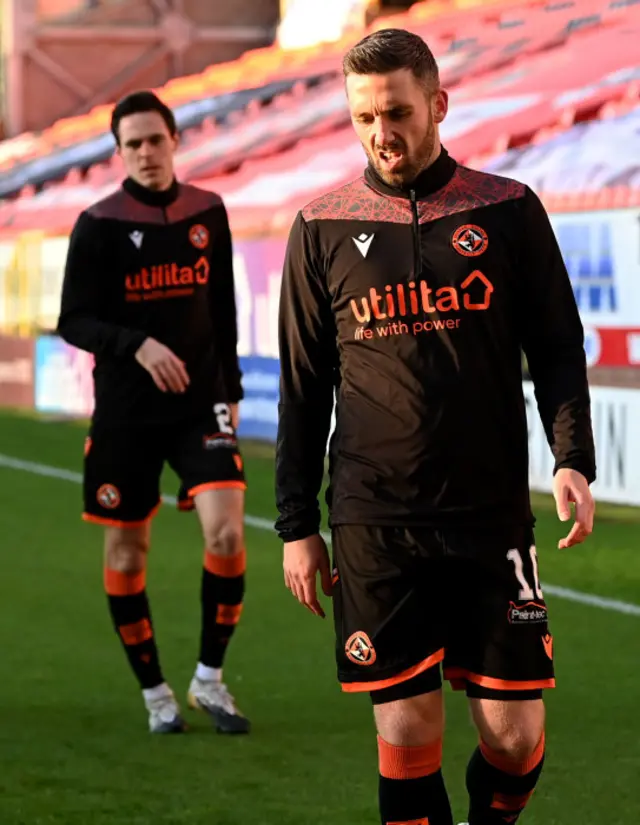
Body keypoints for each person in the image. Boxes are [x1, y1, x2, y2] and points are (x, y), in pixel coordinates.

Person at [275, 27, 596, 825]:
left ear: (438, 105)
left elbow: (556, 346)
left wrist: (571, 457)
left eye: (397, 111)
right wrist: (295, 523)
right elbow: (303, 387)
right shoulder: (319, 227)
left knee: (515, 737)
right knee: (408, 726)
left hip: (489, 514)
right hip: (375, 518)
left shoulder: (509, 210)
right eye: (363, 118)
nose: (382, 132)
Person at [57, 90, 250, 736]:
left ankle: (209, 680)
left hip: (200, 405)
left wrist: (233, 391)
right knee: (128, 548)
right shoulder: (98, 223)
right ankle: (156, 693)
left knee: (227, 532)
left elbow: (222, 306)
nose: (145, 151)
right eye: (132, 143)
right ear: (119, 152)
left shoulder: (208, 212)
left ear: (175, 141)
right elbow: (73, 320)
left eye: (154, 139)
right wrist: (135, 344)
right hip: (125, 414)